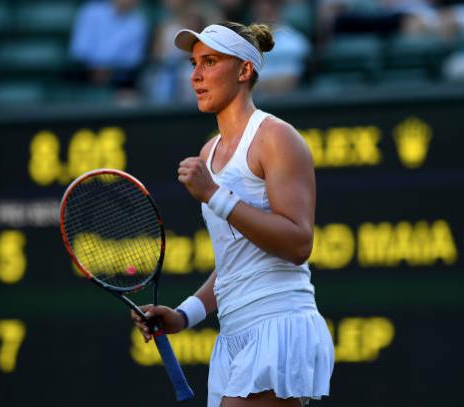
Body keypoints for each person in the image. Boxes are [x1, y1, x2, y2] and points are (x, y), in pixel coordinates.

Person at [131, 21, 334, 407]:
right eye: (193, 64)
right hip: (234, 334)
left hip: (278, 324)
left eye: (210, 62)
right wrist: (184, 315)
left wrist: (214, 194)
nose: (195, 76)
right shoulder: (208, 153)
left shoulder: (276, 138)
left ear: (244, 71)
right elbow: (235, 263)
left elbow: (298, 242)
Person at [68, 0, 150, 89]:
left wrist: (107, 70)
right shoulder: (91, 11)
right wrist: (97, 68)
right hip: (85, 70)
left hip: (117, 76)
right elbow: (80, 49)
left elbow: (132, 59)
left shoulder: (139, 24)